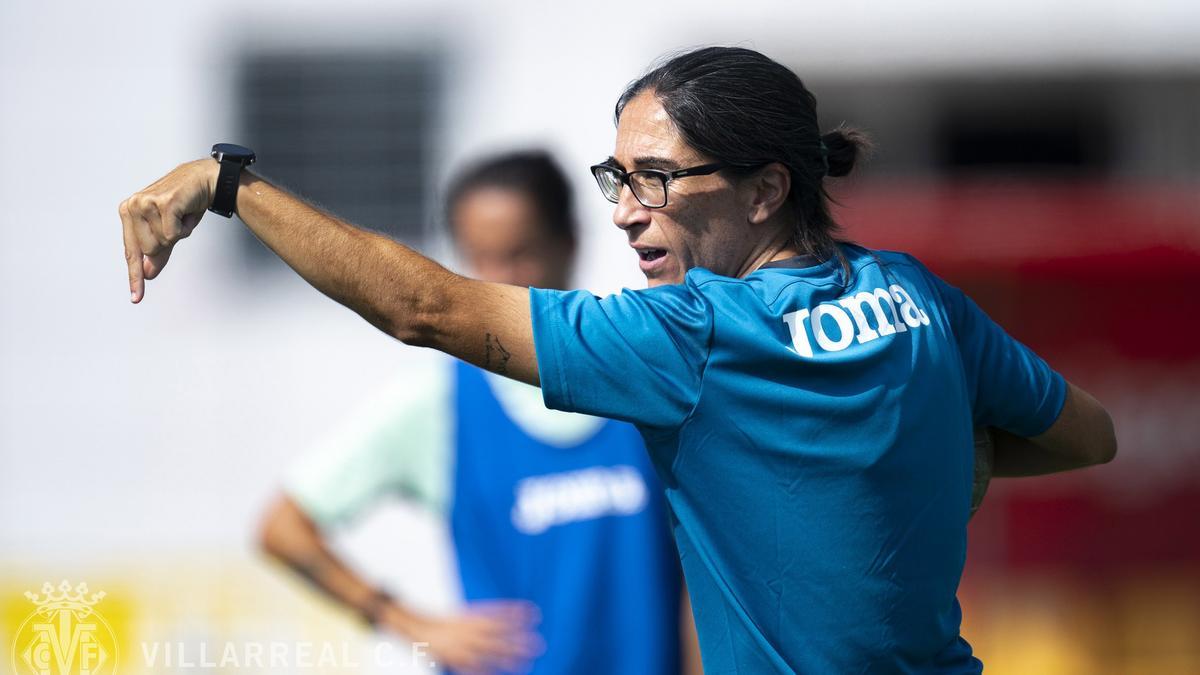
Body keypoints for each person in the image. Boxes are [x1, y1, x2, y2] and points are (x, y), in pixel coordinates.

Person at [119, 46, 1117, 673]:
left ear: (766, 189)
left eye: (655, 178)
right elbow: (1086, 435)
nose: (627, 207)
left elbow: (421, 306)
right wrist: (924, 461)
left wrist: (227, 183)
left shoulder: (689, 338)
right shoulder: (916, 296)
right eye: (615, 176)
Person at [255, 151, 699, 675]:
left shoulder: (643, 374)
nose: (502, 277)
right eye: (481, 257)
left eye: (521, 253)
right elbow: (283, 528)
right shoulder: (441, 402)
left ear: (570, 239)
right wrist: (405, 621)